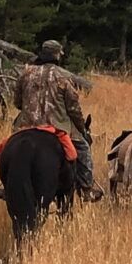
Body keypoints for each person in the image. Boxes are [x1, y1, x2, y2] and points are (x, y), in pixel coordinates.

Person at [9, 40, 103, 201]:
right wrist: (82, 129)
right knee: (83, 149)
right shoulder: (64, 76)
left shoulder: (26, 74)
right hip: (58, 129)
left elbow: (17, 102)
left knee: (9, 149)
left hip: (26, 126)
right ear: (56, 55)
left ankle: (6, 185)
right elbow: (73, 108)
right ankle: (87, 188)